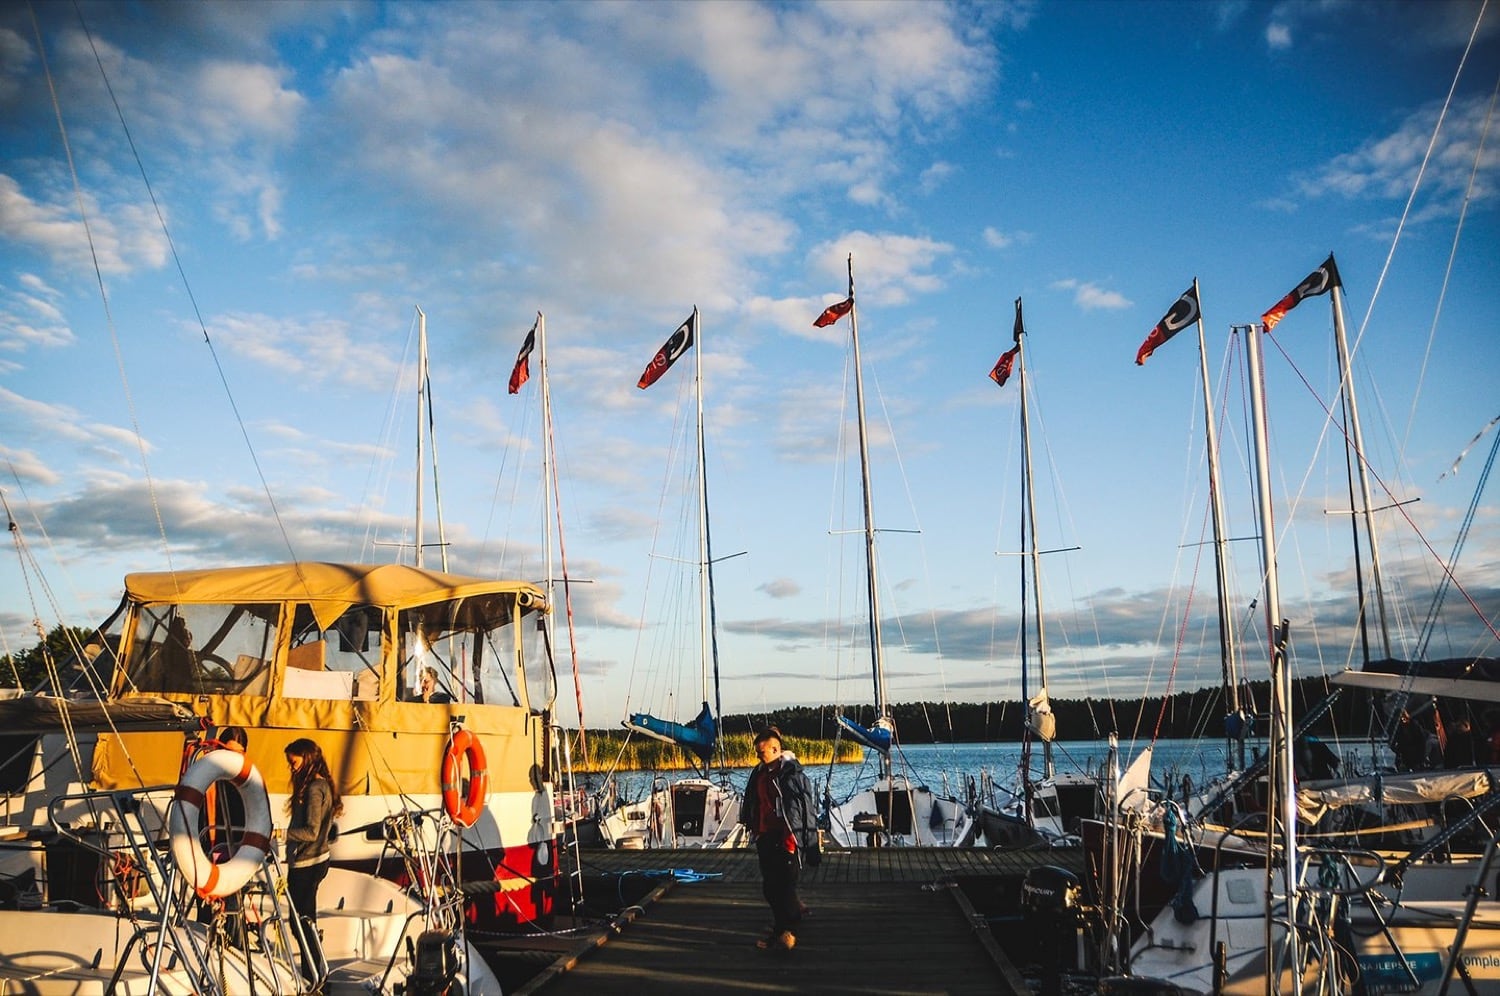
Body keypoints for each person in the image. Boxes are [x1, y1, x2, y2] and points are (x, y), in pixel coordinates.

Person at [738, 726, 819, 952]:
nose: (758, 756)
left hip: (786, 836)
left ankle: (784, 931)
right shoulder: (759, 773)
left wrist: (802, 841)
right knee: (770, 886)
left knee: (782, 887)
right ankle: (786, 924)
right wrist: (752, 825)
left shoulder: (792, 775)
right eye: (757, 752)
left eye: (761, 752)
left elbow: (805, 808)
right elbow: (752, 801)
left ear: (775, 750)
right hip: (765, 834)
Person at [283, 738, 342, 983]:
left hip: (307, 864)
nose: (291, 767)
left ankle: (315, 976)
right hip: (314, 861)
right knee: (303, 921)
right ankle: (315, 973)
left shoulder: (314, 788)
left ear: (306, 758)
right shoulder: (321, 784)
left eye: (293, 762)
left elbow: (312, 831)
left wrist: (281, 834)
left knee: (301, 923)